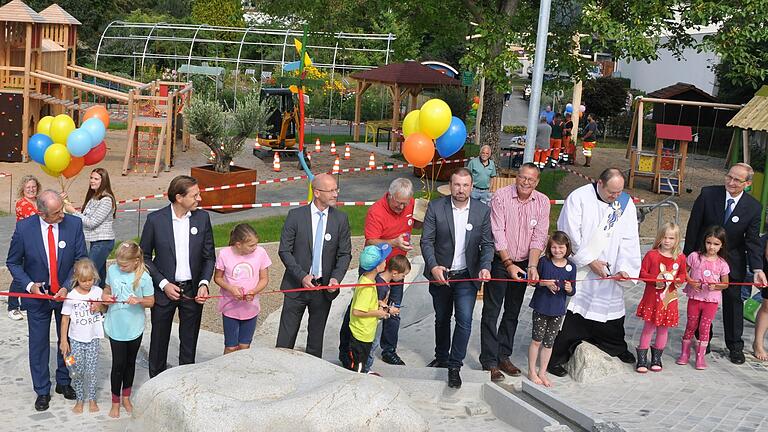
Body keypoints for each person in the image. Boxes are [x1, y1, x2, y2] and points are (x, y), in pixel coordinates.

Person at [548, 168, 641, 377]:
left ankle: (616, 347)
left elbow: (629, 239)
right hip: (583, 271)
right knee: (574, 313)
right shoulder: (579, 198)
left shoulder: (624, 204)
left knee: (610, 317)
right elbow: (568, 233)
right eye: (611, 192)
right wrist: (590, 261)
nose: (616, 197)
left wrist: (625, 269)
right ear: (600, 183)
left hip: (610, 272)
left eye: (619, 192)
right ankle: (556, 358)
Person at [6, 190, 88, 411]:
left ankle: (64, 381)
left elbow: (81, 258)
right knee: (39, 344)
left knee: (67, 341)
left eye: (62, 209)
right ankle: (42, 390)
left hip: (65, 297)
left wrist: (67, 286)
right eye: (56, 212)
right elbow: (13, 262)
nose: (62, 214)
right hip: (37, 299)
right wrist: (30, 285)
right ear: (42, 213)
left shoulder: (73, 224)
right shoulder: (25, 229)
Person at [683, 163, 766, 365]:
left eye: (737, 180)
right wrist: (687, 258)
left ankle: (735, 345)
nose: (731, 182)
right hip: (704, 258)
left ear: (747, 183)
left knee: (733, 302)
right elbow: (693, 226)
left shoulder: (754, 207)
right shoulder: (708, 194)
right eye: (729, 177)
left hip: (732, 262)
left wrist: (757, 269)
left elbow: (753, 241)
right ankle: (704, 338)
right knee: (703, 300)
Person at [420, 167, 494, 388]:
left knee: (464, 320)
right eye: (457, 184)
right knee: (442, 318)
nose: (461, 189)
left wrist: (485, 266)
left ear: (472, 187)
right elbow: (426, 241)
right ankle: (441, 356)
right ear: (450, 186)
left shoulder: (482, 211)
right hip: (441, 275)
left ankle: (455, 365)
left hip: (466, 276)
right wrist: (433, 267)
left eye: (465, 185)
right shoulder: (436, 207)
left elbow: (488, 244)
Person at [140, 175, 216, 377]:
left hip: (192, 291)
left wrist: (204, 283)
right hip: (165, 291)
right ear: (179, 197)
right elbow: (144, 256)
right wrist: (163, 284)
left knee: (189, 340)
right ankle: (156, 383)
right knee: (159, 341)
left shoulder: (202, 219)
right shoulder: (155, 220)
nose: (199, 199)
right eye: (195, 195)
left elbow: (209, 257)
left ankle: (185, 381)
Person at [481, 162, 550, 382]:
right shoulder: (501, 196)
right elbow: (497, 231)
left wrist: (531, 266)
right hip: (501, 260)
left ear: (537, 181)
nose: (526, 182)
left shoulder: (543, 202)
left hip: (524, 262)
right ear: (516, 177)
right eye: (522, 177)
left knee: (512, 312)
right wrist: (508, 263)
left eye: (531, 179)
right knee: (492, 311)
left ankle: (504, 355)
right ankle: (489, 360)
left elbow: (540, 235)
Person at [341, 177, 415, 366]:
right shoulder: (376, 211)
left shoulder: (410, 203)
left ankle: (389, 350)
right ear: (390, 196)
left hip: (397, 268)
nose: (401, 208)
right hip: (376, 267)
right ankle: (346, 348)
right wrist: (393, 242)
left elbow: (415, 220)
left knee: (394, 307)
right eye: (398, 203)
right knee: (360, 305)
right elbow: (371, 240)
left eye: (404, 204)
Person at [277, 173, 352, 357]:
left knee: (315, 342)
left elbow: (344, 254)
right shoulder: (295, 216)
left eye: (337, 189)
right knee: (285, 341)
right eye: (331, 190)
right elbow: (284, 250)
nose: (336, 194)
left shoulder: (340, 219)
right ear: (317, 193)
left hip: (323, 288)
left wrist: (336, 278)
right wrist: (302, 276)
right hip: (296, 287)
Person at [102, 241, 154, 418]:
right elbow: (107, 288)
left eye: (124, 265)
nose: (120, 267)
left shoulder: (144, 278)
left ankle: (126, 397)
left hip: (134, 326)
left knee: (130, 363)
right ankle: (115, 402)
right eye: (118, 263)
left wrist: (139, 300)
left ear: (136, 261)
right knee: (118, 364)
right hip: (116, 324)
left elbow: (151, 301)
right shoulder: (112, 271)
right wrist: (105, 297)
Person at [634, 223, 686, 373]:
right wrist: (656, 278)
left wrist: (677, 281)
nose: (667, 241)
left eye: (671, 238)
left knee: (663, 329)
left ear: (677, 240)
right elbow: (642, 273)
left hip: (668, 300)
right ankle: (642, 358)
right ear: (659, 238)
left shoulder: (680, 257)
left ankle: (657, 357)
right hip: (652, 298)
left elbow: (682, 274)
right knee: (648, 328)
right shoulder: (652, 255)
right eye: (665, 237)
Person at [528, 231, 576, 387]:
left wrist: (569, 289)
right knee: (536, 340)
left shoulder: (571, 266)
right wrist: (545, 283)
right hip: (541, 307)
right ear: (550, 248)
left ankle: (542, 372)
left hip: (558, 310)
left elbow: (572, 290)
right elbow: (533, 282)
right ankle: (531, 371)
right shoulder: (543, 262)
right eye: (554, 247)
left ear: (567, 248)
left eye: (561, 247)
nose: (557, 250)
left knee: (549, 343)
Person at [214, 224, 271, 354]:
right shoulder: (224, 254)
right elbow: (218, 278)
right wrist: (231, 288)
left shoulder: (261, 253)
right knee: (231, 347)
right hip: (230, 308)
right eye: (251, 245)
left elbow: (264, 278)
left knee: (244, 346)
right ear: (238, 244)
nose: (255, 247)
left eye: (256, 244)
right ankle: (226, 370)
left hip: (251, 307)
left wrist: (254, 291)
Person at [678, 226, 729, 369]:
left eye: (716, 244)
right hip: (695, 298)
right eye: (709, 242)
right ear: (704, 242)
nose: (711, 247)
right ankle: (684, 353)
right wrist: (691, 281)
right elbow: (684, 272)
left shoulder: (722, 264)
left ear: (721, 245)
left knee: (704, 328)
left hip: (711, 301)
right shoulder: (694, 256)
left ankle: (700, 357)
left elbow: (725, 284)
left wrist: (716, 286)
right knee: (691, 325)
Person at [59, 259, 104, 414]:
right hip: (76, 339)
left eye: (90, 280)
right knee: (76, 370)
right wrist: (64, 340)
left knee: (91, 371)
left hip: (93, 338)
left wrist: (100, 306)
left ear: (95, 277)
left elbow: (105, 307)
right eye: (83, 280)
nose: (87, 283)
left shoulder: (98, 292)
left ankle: (91, 399)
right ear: (76, 278)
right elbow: (65, 319)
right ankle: (79, 399)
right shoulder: (71, 296)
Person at [63, 168, 117, 286]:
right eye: (91, 178)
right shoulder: (94, 197)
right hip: (95, 241)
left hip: (103, 241)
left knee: (88, 272)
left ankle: (87, 297)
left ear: (103, 181)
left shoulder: (106, 200)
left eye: (96, 179)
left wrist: (72, 211)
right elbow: (84, 216)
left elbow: (92, 222)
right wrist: (67, 203)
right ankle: (102, 298)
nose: (92, 181)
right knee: (100, 275)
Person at [347, 244, 393, 373]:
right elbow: (357, 311)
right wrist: (378, 312)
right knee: (358, 367)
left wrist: (378, 302)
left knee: (363, 361)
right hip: (361, 334)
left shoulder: (368, 279)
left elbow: (365, 302)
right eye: (383, 260)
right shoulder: (366, 286)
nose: (386, 262)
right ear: (377, 267)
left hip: (366, 333)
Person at [8, 174, 41, 321]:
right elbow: (36, 218)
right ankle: (12, 306)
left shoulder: (40, 202)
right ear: (23, 189)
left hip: (36, 243)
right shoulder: (21, 203)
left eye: (33, 187)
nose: (31, 189)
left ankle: (25, 303)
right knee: (19, 275)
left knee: (30, 272)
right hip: (22, 244)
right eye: (28, 187)